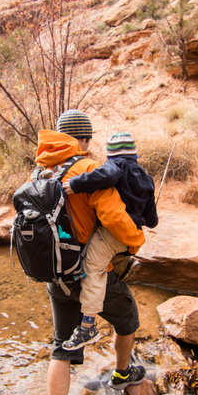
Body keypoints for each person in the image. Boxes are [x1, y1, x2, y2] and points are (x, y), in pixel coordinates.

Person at [38, 109, 147, 395]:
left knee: (61, 347)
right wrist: (135, 242)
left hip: (56, 276)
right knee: (127, 317)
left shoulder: (41, 171)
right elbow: (114, 217)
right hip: (90, 274)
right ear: (81, 139)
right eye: (88, 138)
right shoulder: (87, 170)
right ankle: (122, 374)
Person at [60, 131, 158, 351]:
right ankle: (125, 263)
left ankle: (88, 326)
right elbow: (152, 220)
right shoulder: (146, 178)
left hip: (113, 231)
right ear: (135, 154)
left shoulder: (116, 167)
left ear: (111, 156)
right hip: (128, 234)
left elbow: (104, 176)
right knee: (107, 255)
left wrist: (76, 184)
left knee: (92, 267)